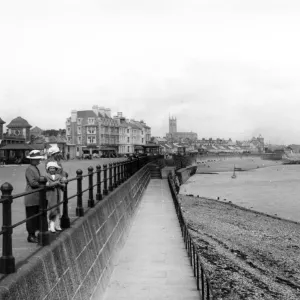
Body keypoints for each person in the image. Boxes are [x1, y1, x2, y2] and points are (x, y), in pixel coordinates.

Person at [24, 150, 45, 243]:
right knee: (31, 216)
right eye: (36, 159)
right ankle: (31, 235)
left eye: (38, 158)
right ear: (31, 160)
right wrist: (44, 184)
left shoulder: (35, 168)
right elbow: (32, 183)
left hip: (36, 196)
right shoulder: (30, 169)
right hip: (31, 196)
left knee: (35, 216)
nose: (38, 160)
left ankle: (34, 234)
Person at [45, 161, 65, 232]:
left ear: (56, 169)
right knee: (50, 209)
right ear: (48, 169)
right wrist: (56, 183)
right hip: (49, 195)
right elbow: (46, 185)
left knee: (57, 209)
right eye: (50, 168)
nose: (52, 170)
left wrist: (61, 184)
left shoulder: (59, 176)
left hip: (57, 194)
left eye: (54, 168)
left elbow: (63, 185)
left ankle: (55, 224)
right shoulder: (46, 176)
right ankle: (49, 224)